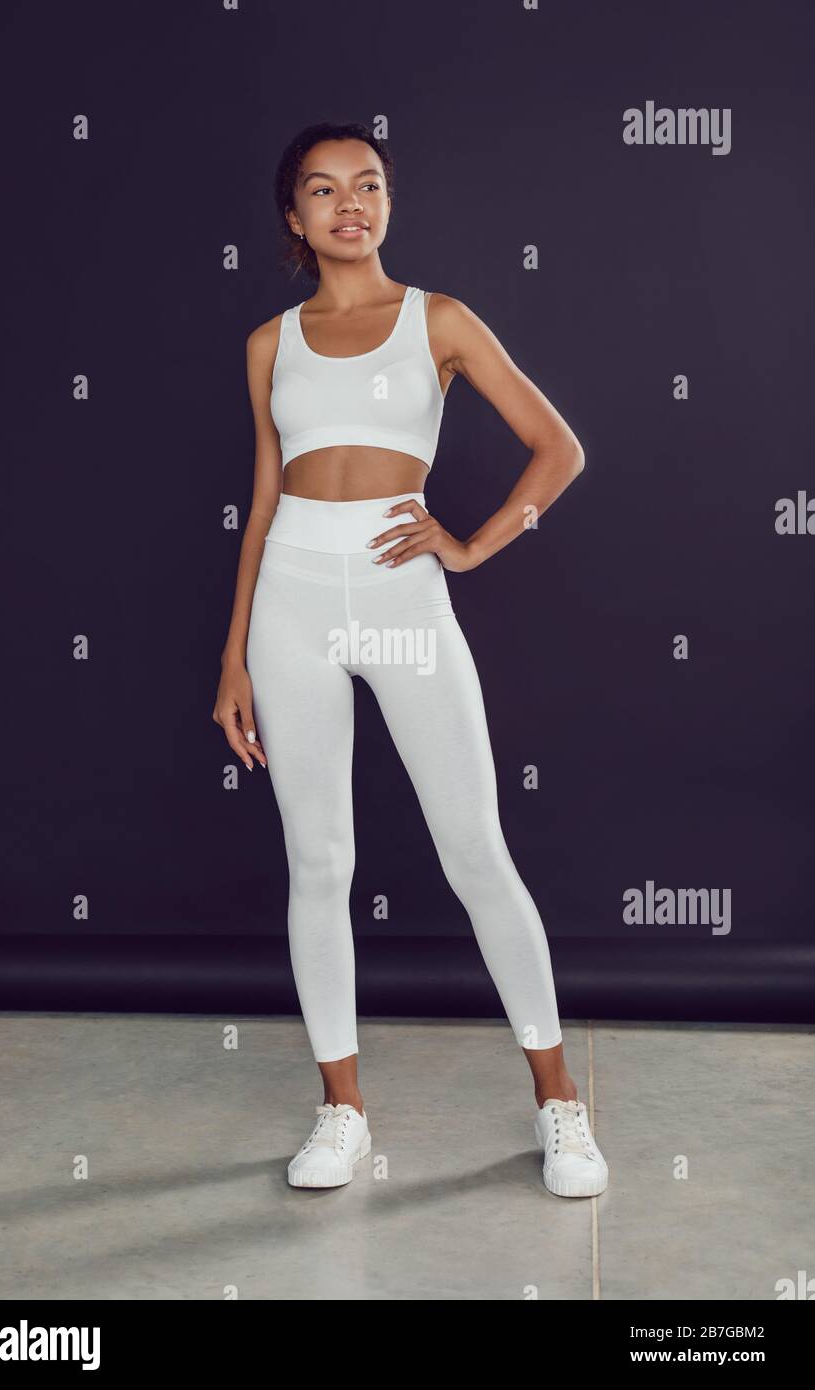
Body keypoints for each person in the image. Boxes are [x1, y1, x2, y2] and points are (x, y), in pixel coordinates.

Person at [213, 121, 608, 1199]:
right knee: (319, 861)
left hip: (400, 592)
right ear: (293, 218)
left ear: (387, 202)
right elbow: (258, 508)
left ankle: (558, 1106)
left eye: (369, 184)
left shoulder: (438, 320)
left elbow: (557, 448)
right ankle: (339, 1110)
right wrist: (233, 658)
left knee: (474, 848)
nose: (351, 202)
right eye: (324, 189)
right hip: (290, 599)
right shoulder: (268, 343)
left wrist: (474, 543)